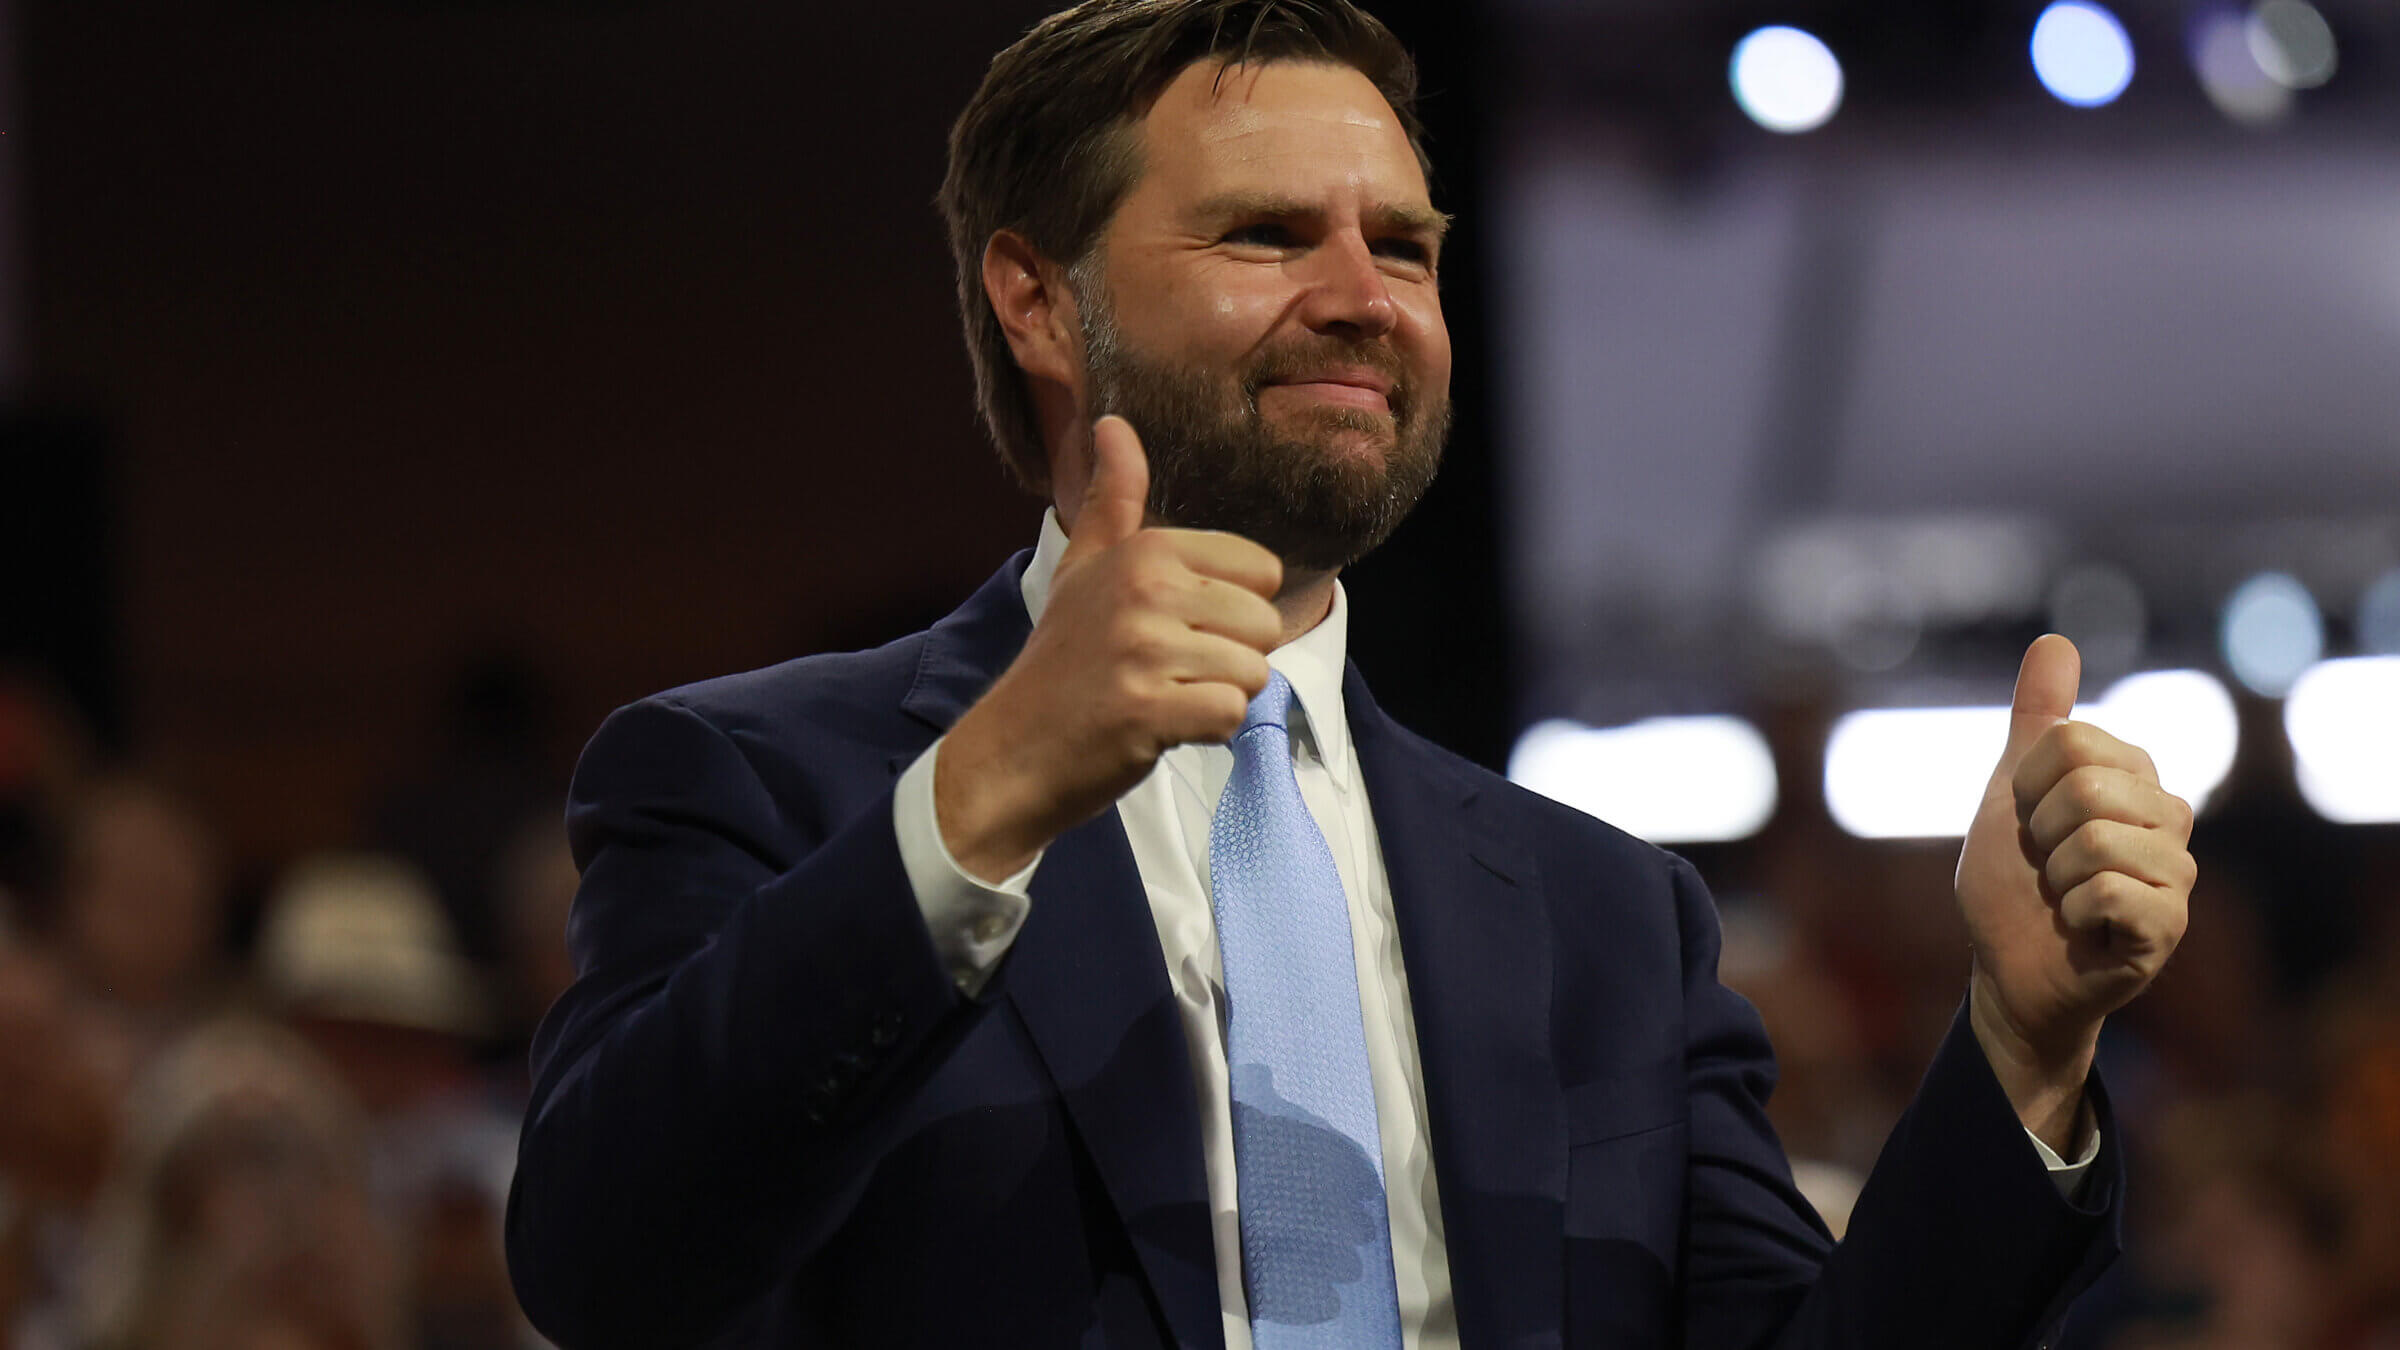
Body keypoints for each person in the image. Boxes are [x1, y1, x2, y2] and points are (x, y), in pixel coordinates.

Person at [505, 3, 2197, 1347]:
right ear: (1034, 294)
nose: (1361, 297)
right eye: (1264, 235)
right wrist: (980, 799)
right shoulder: (759, 785)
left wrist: (2025, 1048)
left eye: (1404, 244)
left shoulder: (1607, 919)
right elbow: (608, 1266)